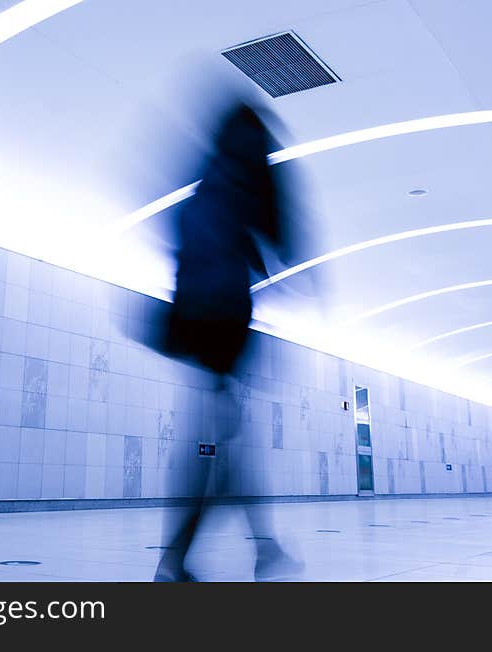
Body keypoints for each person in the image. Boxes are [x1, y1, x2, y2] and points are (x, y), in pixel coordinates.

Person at [149, 99, 305, 582]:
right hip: (222, 331)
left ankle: (253, 549)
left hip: (199, 329)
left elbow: (182, 240)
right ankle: (185, 559)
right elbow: (282, 240)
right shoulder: (245, 183)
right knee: (218, 446)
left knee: (221, 443)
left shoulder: (206, 184)